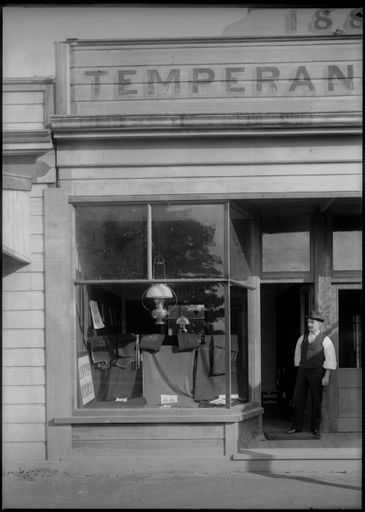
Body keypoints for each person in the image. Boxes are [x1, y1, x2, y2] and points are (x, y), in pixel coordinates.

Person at [287, 310, 337, 437]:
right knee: (298, 398)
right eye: (308, 322)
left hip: (318, 371)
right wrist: (299, 367)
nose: (309, 324)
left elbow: (330, 359)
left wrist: (327, 376)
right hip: (303, 371)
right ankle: (296, 426)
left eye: (312, 322)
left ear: (319, 324)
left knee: (316, 399)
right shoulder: (302, 338)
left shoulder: (325, 340)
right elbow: (298, 354)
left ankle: (315, 427)